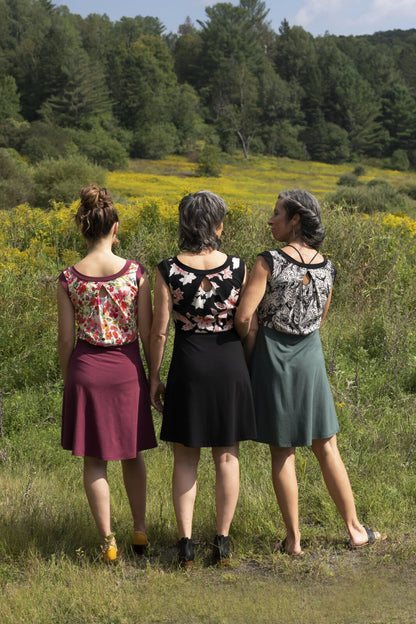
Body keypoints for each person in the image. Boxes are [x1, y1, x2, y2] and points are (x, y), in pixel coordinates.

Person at [235, 189, 386, 554]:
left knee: (282, 450)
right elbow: (320, 319)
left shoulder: (268, 261)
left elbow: (244, 318)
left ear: (295, 219)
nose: (270, 220)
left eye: (276, 214)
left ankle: (294, 540)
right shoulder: (328, 267)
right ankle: (355, 529)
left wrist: (250, 355)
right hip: (311, 357)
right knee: (327, 445)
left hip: (273, 355)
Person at [150, 190, 256, 568]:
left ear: (184, 223)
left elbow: (159, 331)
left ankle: (186, 544)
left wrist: (153, 376)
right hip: (229, 363)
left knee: (185, 457)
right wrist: (248, 366)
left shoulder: (168, 269)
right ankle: (223, 541)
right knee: (227, 455)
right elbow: (248, 323)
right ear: (218, 225)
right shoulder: (240, 268)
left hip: (188, 364)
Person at [57, 184, 157, 563]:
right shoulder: (135, 273)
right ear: (116, 228)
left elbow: (66, 340)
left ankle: (108, 542)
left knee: (94, 461)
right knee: (132, 455)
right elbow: (148, 332)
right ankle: (140, 530)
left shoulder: (69, 278)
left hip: (86, 367)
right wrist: (153, 376)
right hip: (127, 368)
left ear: (83, 229)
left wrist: (70, 377)